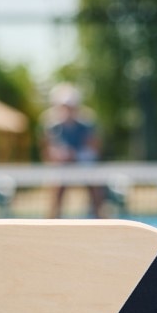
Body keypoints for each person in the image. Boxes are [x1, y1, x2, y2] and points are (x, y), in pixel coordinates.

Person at [41, 83, 107, 220]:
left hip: (85, 166)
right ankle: (51, 226)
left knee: (96, 194)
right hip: (62, 170)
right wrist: (59, 156)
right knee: (56, 193)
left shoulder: (87, 124)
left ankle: (102, 222)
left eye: (70, 107)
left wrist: (75, 156)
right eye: (64, 106)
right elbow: (48, 153)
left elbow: (94, 149)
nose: (67, 110)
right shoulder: (52, 126)